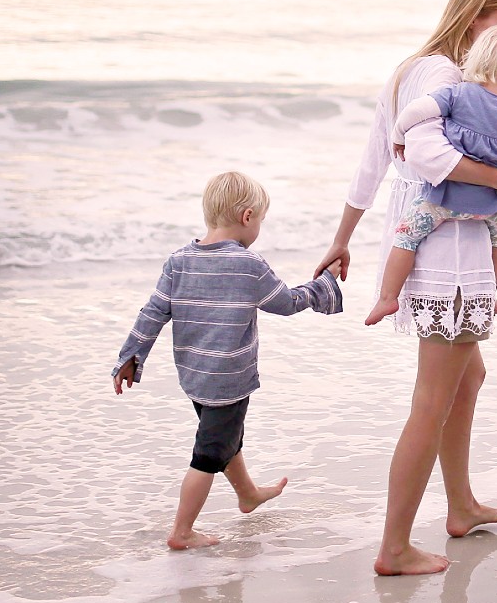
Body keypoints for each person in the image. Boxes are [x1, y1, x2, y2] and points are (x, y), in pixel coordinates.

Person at [312, 0, 497, 576]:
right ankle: (395, 547)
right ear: (474, 19)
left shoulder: (417, 68)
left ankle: (460, 505)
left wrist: (343, 238)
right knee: (432, 399)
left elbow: (374, 159)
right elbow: (428, 159)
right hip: (448, 255)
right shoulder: (447, 77)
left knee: (468, 376)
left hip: (433, 247)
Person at [112, 171, 343, 550]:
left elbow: (153, 312)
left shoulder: (179, 260)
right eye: (262, 221)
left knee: (222, 436)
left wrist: (131, 357)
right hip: (229, 378)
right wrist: (324, 284)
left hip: (194, 374)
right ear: (248, 217)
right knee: (208, 454)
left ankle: (248, 494)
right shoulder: (248, 265)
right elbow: (286, 303)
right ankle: (182, 531)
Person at [366, 23, 497, 328]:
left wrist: (398, 135)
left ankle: (387, 297)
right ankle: (490, 294)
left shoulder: (457, 94)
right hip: (490, 206)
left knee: (406, 235)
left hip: (445, 200)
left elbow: (415, 111)